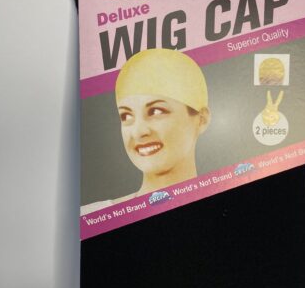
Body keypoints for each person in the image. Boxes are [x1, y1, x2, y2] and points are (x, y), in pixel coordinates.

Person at [81, 48, 211, 216]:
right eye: (126, 116)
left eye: (156, 111)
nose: (138, 131)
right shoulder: (90, 217)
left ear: (201, 119)